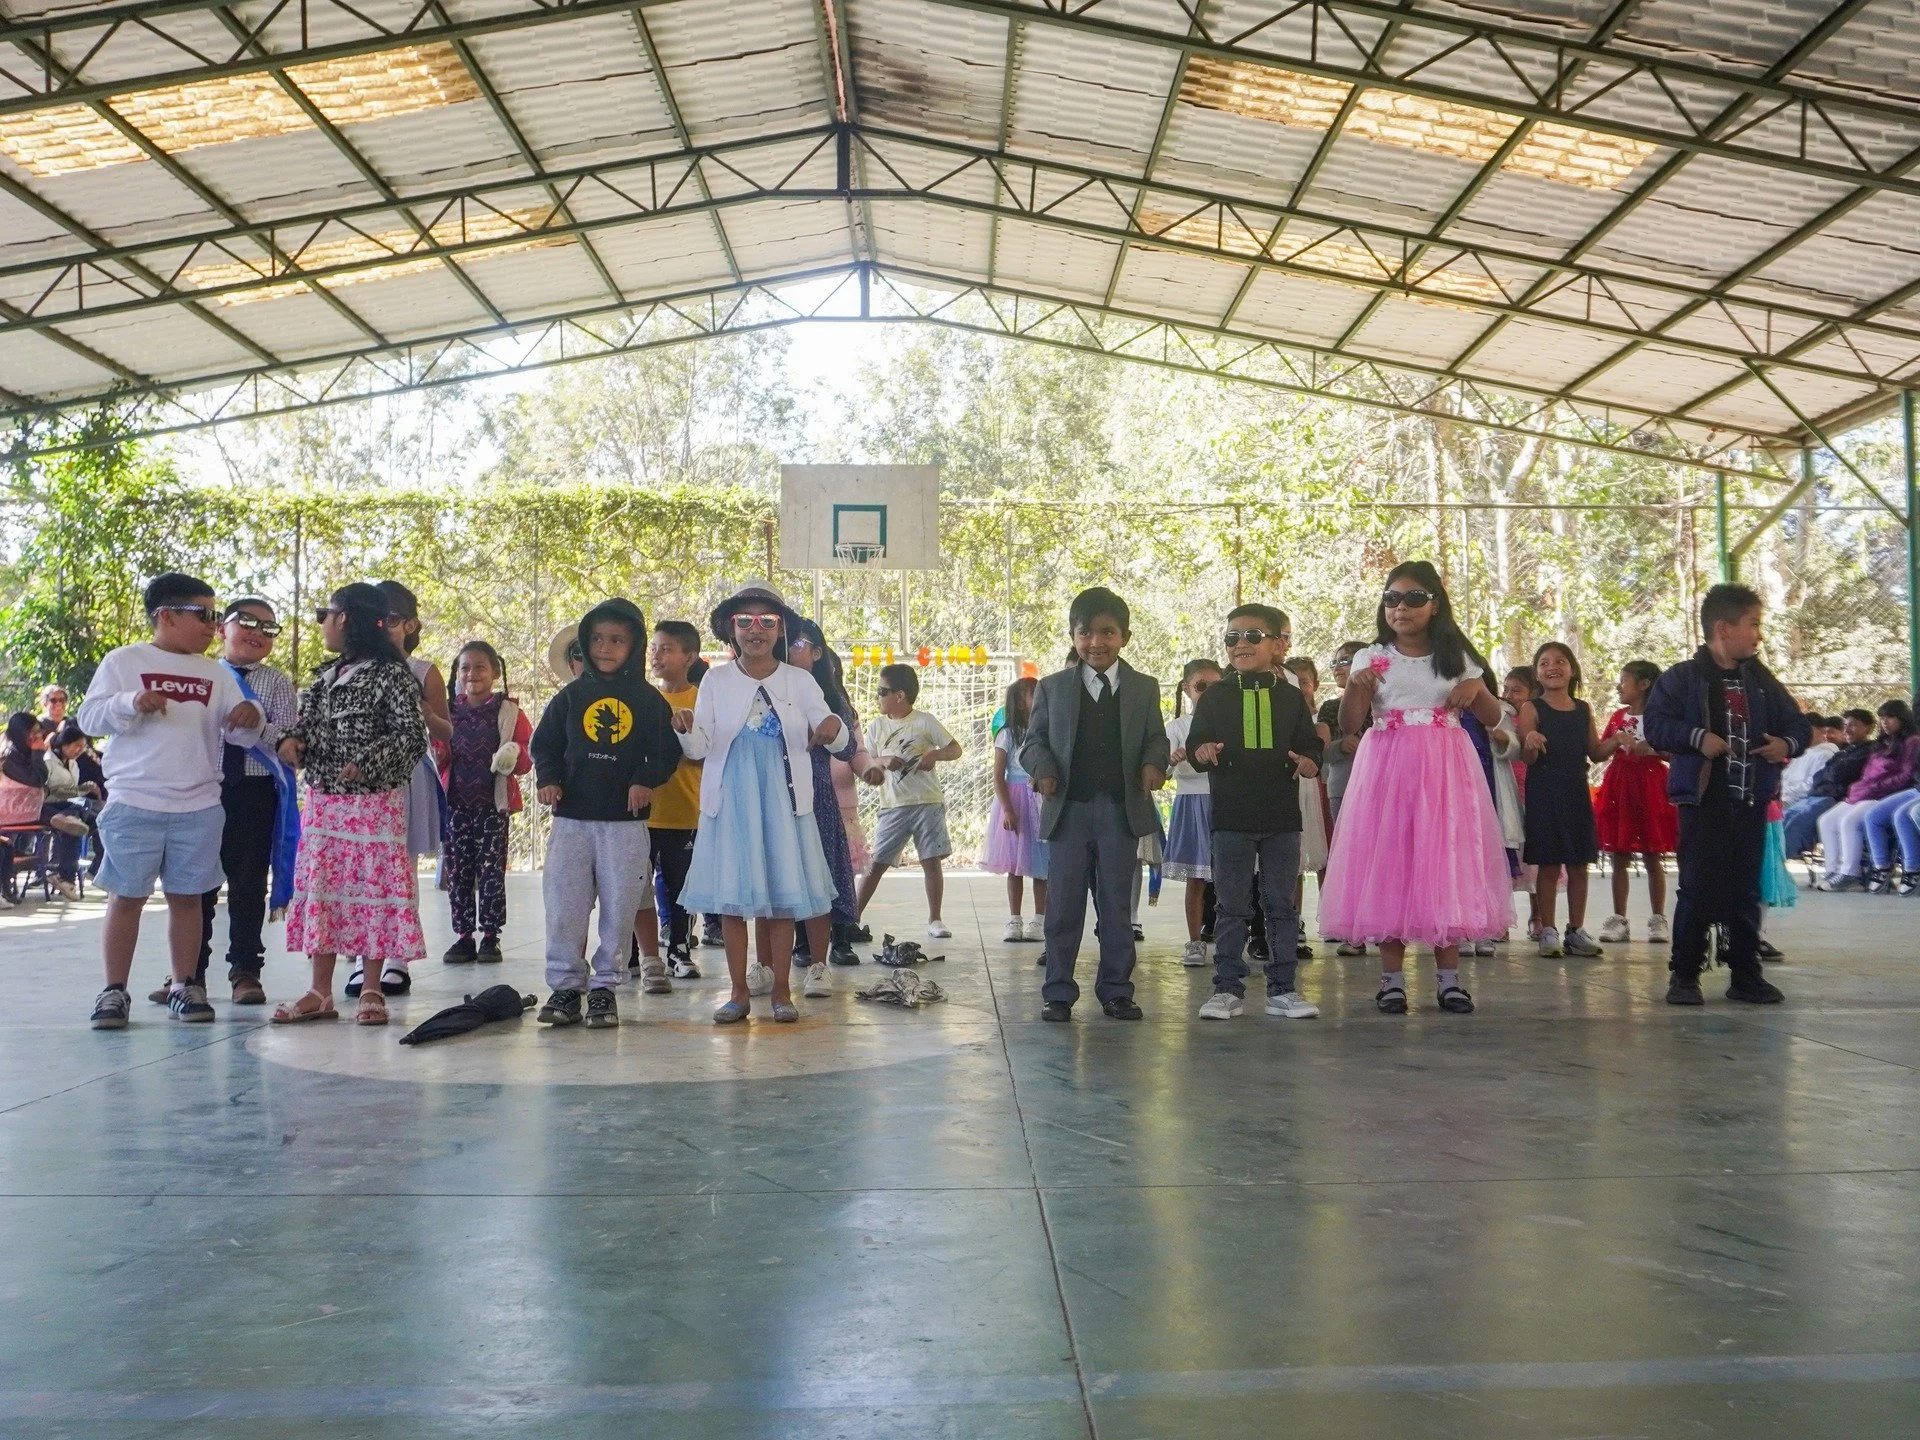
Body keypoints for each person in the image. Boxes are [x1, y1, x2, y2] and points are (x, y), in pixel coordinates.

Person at [1319, 562, 1509, 1015]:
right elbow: (1350, 723)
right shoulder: (1372, 656)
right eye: (1391, 599)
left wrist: (1474, 688)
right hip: (1386, 766)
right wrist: (1357, 690)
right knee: (1391, 861)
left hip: (1445, 770)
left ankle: (1449, 979)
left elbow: (1491, 717)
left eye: (1413, 598)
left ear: (1435, 604)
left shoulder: (1458, 658)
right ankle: (1391, 981)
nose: (1400, 608)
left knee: (1443, 859)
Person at [81, 574, 263, 1029]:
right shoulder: (125, 661)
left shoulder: (216, 673)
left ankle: (186, 985)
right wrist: (130, 701)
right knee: (127, 898)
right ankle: (113, 992)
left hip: (200, 804)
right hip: (134, 800)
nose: (212, 626)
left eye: (216, 616)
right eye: (203, 615)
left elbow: (242, 729)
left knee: (189, 899)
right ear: (166, 615)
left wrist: (249, 715)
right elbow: (89, 717)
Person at [674, 584, 849, 1024]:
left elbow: (834, 732)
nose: (756, 630)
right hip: (732, 799)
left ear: (780, 629)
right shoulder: (715, 679)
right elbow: (699, 748)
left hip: (786, 801)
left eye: (767, 622)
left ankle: (781, 993)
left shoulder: (799, 679)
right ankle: (737, 992)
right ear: (732, 630)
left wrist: (832, 725)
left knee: (783, 895)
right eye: (746, 621)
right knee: (733, 899)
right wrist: (684, 728)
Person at [268, 584, 428, 1027]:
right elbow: (305, 726)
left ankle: (371, 986)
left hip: (373, 803)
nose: (322, 621)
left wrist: (366, 764)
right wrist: (291, 741)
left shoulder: (391, 675)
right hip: (323, 802)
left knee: (371, 891)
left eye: (326, 613)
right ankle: (320, 992)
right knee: (323, 889)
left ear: (346, 619)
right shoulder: (324, 677)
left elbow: (412, 736)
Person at [1644, 583, 1811, 1004]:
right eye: (1753, 624)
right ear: (1723, 628)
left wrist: (1785, 745)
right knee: (1698, 886)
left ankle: (1745, 974)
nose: (1758, 634)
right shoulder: (1683, 678)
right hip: (1704, 802)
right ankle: (1684, 975)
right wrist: (1697, 737)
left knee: (1745, 889)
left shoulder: (1759, 679)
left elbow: (1798, 724)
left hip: (1750, 800)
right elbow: (1656, 725)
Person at [1020, 586, 1170, 1023]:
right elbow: (1033, 743)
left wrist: (1153, 764)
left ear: (1125, 636)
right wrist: (1044, 768)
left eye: (1107, 632)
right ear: (1072, 636)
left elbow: (1156, 739)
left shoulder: (1144, 687)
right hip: (1069, 813)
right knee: (1063, 907)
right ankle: (1059, 993)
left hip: (1121, 813)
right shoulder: (1052, 688)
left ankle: (1117, 991)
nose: (1096, 642)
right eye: (1085, 633)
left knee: (1117, 907)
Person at [530, 599, 680, 1030]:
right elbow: (545, 745)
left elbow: (665, 751)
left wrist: (644, 779)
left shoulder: (649, 700)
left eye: (617, 640)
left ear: (633, 645)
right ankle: (564, 986)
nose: (605, 648)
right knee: (564, 904)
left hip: (625, 826)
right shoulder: (571, 696)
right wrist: (549, 778)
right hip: (572, 819)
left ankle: (605, 989)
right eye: (596, 639)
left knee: (620, 907)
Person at [1188, 606, 1323, 1021]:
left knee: (1281, 905)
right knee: (1231, 906)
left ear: (1277, 645)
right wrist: (1203, 751)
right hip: (1231, 819)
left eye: (1252, 636)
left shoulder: (1290, 698)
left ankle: (1283, 990)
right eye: (1232, 638)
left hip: (1282, 820)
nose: (1241, 644)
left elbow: (1311, 745)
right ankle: (1227, 989)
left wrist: (1310, 761)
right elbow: (1196, 746)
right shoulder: (1216, 696)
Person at [184, 598, 300, 1007]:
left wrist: (260, 724)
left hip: (254, 792)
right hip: (200, 789)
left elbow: (288, 739)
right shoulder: (199, 674)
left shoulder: (277, 683)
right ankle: (188, 974)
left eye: (268, 628)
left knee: (249, 884)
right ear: (221, 629)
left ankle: (246, 971)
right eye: (247, 622)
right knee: (196, 884)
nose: (257, 632)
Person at [347, 580, 452, 999]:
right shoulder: (348, 666)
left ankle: (396, 959)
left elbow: (447, 731)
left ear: (410, 624)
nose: (382, 626)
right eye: (374, 618)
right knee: (358, 871)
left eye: (391, 619)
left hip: (407, 778)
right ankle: (359, 959)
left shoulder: (424, 671)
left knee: (398, 870)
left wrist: (427, 715)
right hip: (357, 782)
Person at [437, 640, 532, 965]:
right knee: (458, 871)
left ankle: (491, 937)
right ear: (457, 673)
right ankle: (463, 937)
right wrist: (437, 755)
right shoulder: (447, 712)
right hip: (455, 806)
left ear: (494, 672)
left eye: (480, 667)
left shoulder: (509, 711)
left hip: (493, 806)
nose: (472, 673)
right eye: (465, 667)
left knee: (491, 872)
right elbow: (436, 750)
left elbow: (526, 753)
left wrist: (514, 756)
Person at [853, 663, 961, 939]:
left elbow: (954, 748)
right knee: (877, 863)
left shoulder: (924, 721)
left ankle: (935, 919)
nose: (877, 697)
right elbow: (868, 759)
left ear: (900, 695)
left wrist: (934, 756)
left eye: (882, 691)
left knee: (931, 861)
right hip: (893, 806)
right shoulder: (877, 726)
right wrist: (884, 761)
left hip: (927, 802)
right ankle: (852, 918)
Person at [787, 619, 868, 987]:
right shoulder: (766, 687)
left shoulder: (832, 698)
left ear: (817, 652)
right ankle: (794, 947)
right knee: (789, 873)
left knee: (824, 873)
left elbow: (851, 747)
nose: (788, 649)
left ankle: (831, 948)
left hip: (818, 796)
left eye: (797, 642)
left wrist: (836, 735)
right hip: (777, 795)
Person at [1517, 641, 1608, 960]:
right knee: (1549, 863)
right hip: (1545, 790)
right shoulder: (1532, 708)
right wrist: (1530, 740)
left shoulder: (1583, 709)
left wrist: (1618, 741)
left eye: (1560, 661)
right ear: (1537, 674)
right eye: (1544, 663)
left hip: (1576, 789)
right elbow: (1527, 757)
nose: (1552, 666)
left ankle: (1576, 930)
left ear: (1572, 668)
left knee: (1580, 862)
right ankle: (1548, 930)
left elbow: (1595, 752)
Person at [1593, 660, 1677, 946]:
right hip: (1620, 787)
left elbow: (1673, 751)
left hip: (1651, 787)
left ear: (1643, 684)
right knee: (1619, 855)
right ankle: (1619, 918)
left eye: (1624, 679)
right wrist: (1617, 739)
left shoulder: (1660, 717)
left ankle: (1658, 919)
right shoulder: (1618, 717)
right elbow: (1598, 754)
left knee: (1654, 856)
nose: (1618, 685)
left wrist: (1651, 748)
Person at [641, 620, 707, 981]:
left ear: (689, 656)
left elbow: (706, 755)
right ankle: (636, 953)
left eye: (666, 648)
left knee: (681, 886)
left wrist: (686, 733)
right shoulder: (643, 697)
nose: (656, 655)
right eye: (654, 648)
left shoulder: (703, 698)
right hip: (643, 812)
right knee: (637, 884)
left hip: (686, 810)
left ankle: (678, 950)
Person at [1812, 699, 1918, 889]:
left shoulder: (1912, 741)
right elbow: (1868, 773)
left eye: (1891, 717)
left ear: (1903, 718)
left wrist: (1872, 789)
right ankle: (1833, 869)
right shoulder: (1882, 742)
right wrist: (1860, 787)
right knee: (1826, 821)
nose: (1886, 722)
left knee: (1849, 822)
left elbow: (1905, 776)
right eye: (1883, 718)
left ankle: (1850, 872)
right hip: (1864, 792)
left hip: (1884, 795)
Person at [1162, 659, 1221, 966]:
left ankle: (1229, 940)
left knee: (1230, 878)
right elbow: (1162, 774)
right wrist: (1172, 760)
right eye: (1201, 686)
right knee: (1196, 881)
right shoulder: (1176, 727)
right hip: (1191, 803)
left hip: (1224, 803)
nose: (1208, 693)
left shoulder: (1228, 723)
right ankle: (1195, 942)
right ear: (1186, 688)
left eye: (1215, 686)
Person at [985, 674, 1050, 944]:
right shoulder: (1008, 734)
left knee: (1041, 865)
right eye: (1032, 693)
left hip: (1040, 799)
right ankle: (1014, 919)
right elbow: (998, 776)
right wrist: (1008, 809)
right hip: (1015, 800)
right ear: (1020, 703)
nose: (1038, 697)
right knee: (1015, 864)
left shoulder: (1046, 731)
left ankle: (1040, 919)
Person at [1, 711, 91, 898]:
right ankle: (62, 819)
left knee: (78, 812)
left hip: (34, 806)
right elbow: (37, 780)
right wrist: (38, 753)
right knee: (68, 818)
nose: (36, 736)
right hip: (12, 811)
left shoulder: (28, 753)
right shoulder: (10, 755)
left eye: (37, 731)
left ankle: (65, 878)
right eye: (31, 732)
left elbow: (40, 780)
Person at [1782, 709, 1872, 858]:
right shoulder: (1845, 752)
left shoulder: (1869, 750)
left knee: (1796, 824)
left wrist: (1828, 775)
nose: (1847, 730)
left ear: (1869, 728)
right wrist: (1828, 775)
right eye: (1845, 725)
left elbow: (1840, 773)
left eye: (1853, 725)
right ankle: (1770, 861)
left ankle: (1778, 866)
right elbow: (1821, 775)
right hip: (1815, 795)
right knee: (1785, 817)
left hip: (1834, 798)